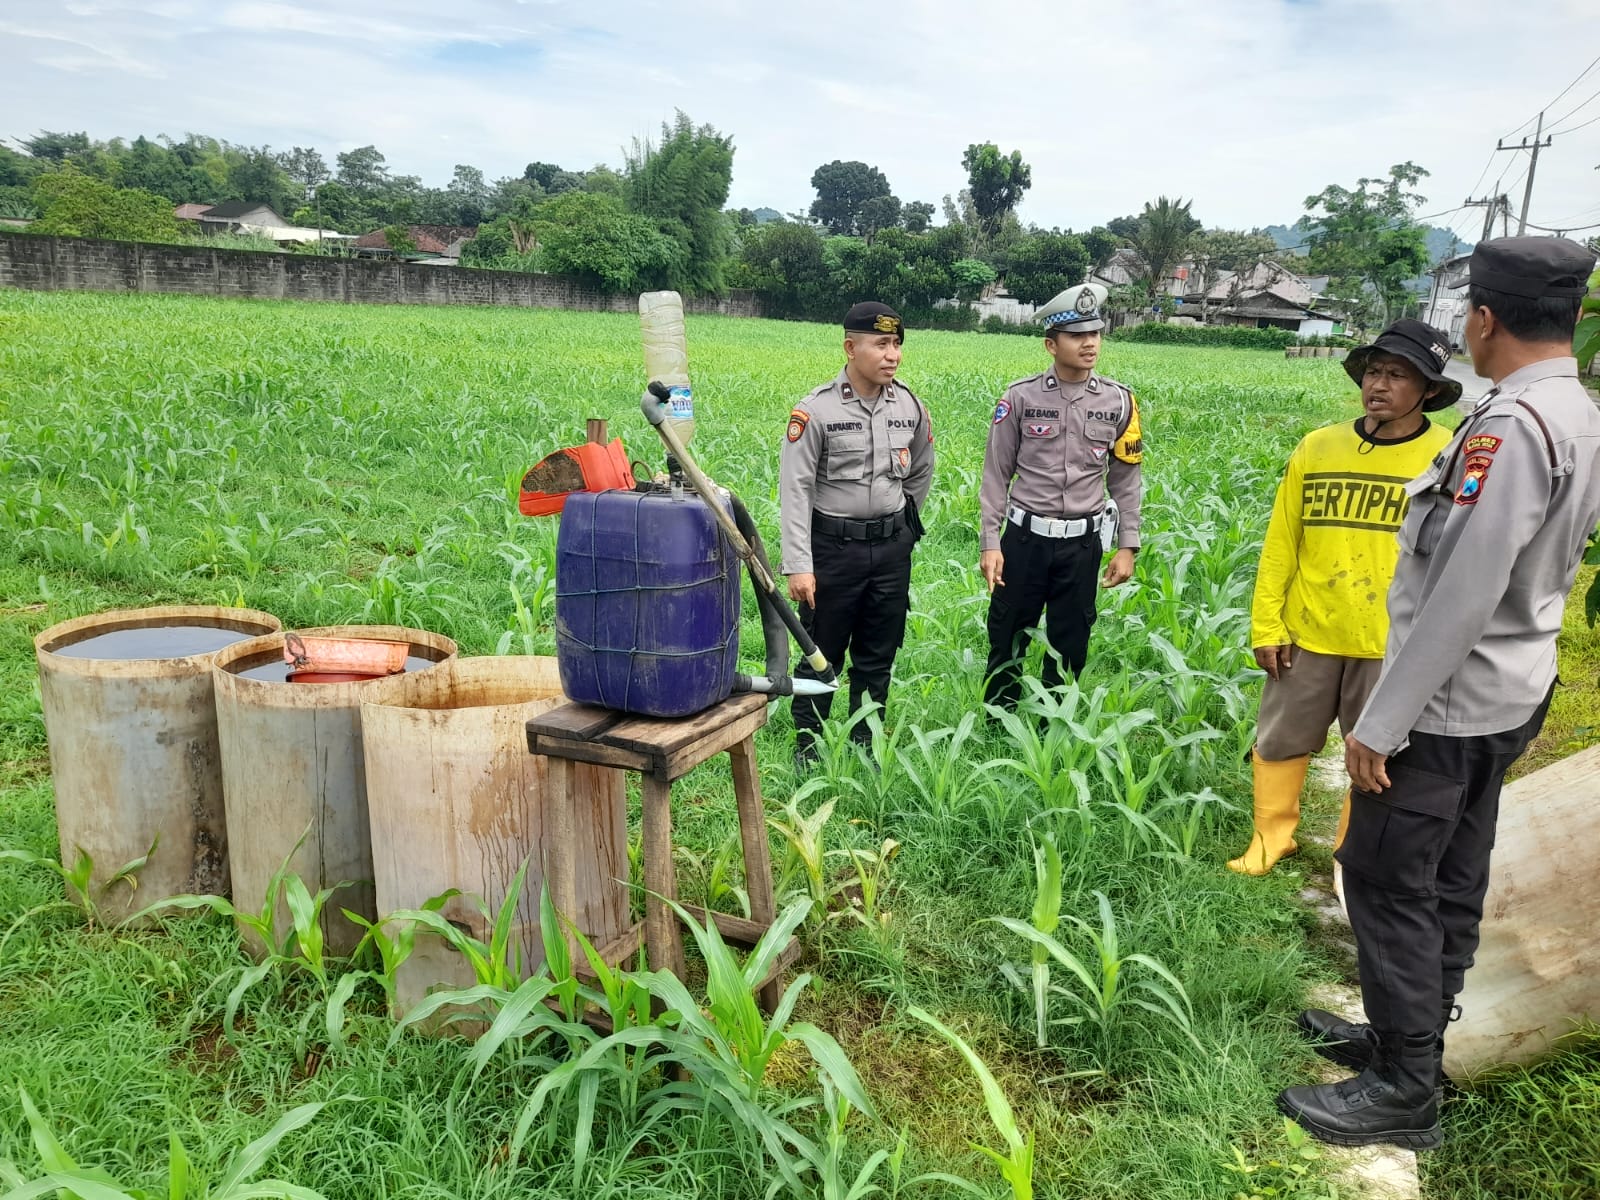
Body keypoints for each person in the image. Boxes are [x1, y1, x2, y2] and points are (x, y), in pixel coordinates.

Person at [1281, 236, 1600, 1149]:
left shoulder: (1511, 429)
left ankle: (1403, 1087)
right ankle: (1407, 1038)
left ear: (1484, 318)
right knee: (1453, 874)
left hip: (1448, 704)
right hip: (1511, 690)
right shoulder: (1577, 412)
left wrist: (1379, 725)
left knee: (1386, 878)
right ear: (1573, 315)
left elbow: (1463, 593)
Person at [1229, 320, 1457, 876]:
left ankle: (1351, 858)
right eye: (1374, 372)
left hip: (1391, 641)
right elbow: (1282, 541)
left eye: (1397, 375)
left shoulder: (1447, 454)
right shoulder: (1319, 446)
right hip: (1308, 630)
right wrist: (1267, 624)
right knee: (1280, 738)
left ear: (1428, 389)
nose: (1378, 384)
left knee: (1375, 754)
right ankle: (1271, 838)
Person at [780, 302, 934, 771]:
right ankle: (808, 746)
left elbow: (921, 469)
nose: (893, 355)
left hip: (890, 551)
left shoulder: (909, 406)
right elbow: (796, 489)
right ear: (851, 348)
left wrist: (903, 529)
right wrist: (799, 565)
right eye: (881, 344)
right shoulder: (816, 411)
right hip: (833, 550)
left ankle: (866, 744)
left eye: (897, 344)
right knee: (821, 651)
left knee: (878, 650)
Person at [978, 283, 1142, 713]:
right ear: (1051, 344)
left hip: (1082, 545)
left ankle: (1055, 724)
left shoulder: (1119, 401)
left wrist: (1128, 545)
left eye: (1095, 333)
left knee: (1071, 640)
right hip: (1025, 541)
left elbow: (1126, 479)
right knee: (1008, 634)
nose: (1090, 343)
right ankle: (998, 721)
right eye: (1076, 335)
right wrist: (990, 542)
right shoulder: (1020, 397)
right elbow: (996, 475)